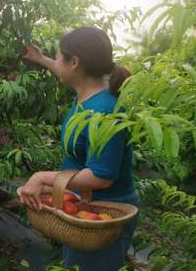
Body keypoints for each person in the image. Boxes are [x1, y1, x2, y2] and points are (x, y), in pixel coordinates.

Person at [19, 27, 138, 271]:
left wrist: (42, 177)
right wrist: (42, 59)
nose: (57, 60)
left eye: (59, 56)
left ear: (75, 62)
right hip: (82, 206)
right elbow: (67, 73)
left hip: (103, 216)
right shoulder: (88, 93)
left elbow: (101, 177)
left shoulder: (104, 111)